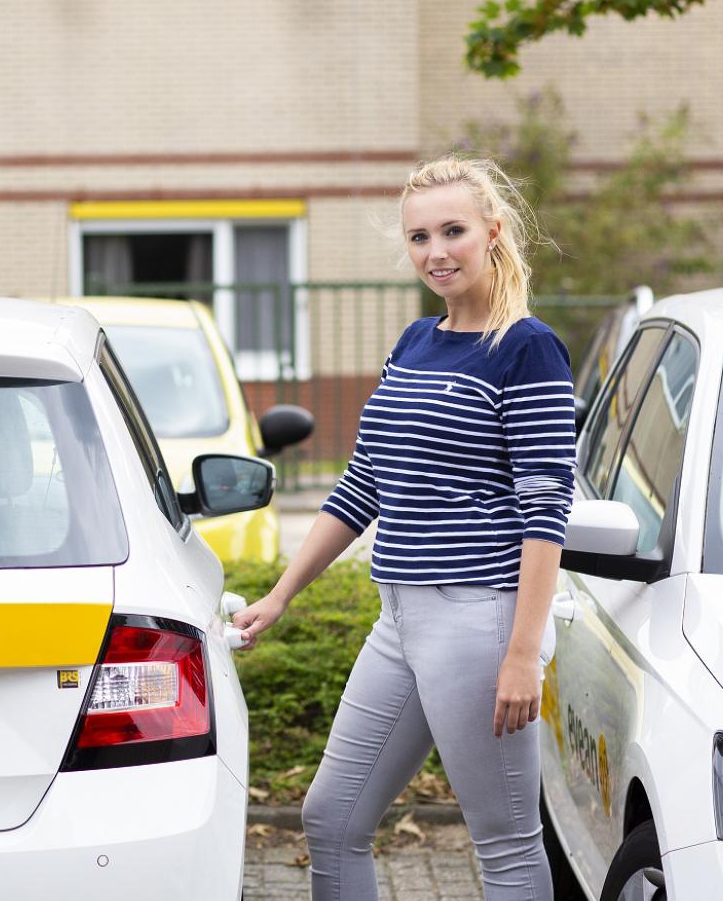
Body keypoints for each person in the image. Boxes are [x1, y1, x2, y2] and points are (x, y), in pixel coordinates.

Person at [232, 156, 574, 901]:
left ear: (494, 232)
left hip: (480, 619)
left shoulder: (527, 348)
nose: (436, 251)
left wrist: (522, 655)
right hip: (399, 617)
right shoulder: (415, 342)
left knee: (507, 848)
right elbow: (364, 485)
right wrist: (282, 595)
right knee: (331, 819)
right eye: (419, 237)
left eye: (453, 231)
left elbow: (548, 509)